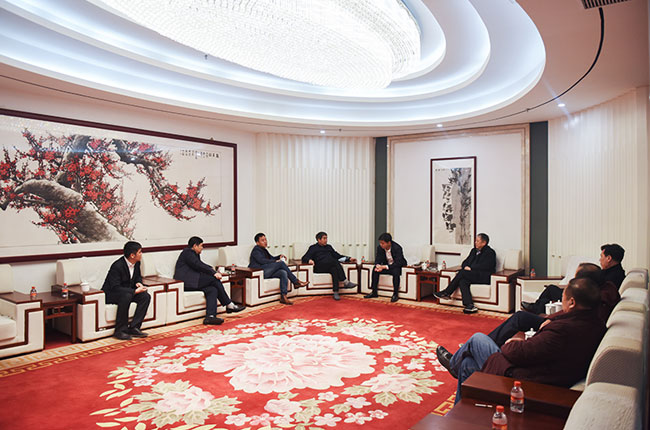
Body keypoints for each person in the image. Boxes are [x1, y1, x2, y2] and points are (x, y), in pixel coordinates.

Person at [436, 277, 605, 404]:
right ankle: (459, 414)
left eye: (563, 298)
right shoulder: (595, 324)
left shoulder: (563, 331)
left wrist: (511, 344)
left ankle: (453, 365)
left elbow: (520, 353)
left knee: (477, 339)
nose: (562, 302)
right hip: (543, 374)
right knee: (467, 364)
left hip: (524, 380)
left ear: (572, 302)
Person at [487, 263, 619, 347]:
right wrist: (551, 318)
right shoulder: (603, 289)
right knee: (521, 316)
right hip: (559, 321)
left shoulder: (598, 300)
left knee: (519, 317)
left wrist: (552, 321)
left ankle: (489, 344)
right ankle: (490, 342)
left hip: (560, 326)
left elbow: (574, 319)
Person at [521, 243, 625, 314]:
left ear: (609, 258)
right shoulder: (614, 272)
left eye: (601, 256)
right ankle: (537, 309)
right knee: (548, 295)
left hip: (582, 297)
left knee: (551, 289)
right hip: (582, 295)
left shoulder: (613, 277)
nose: (600, 259)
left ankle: (535, 309)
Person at [174, 236, 245, 325]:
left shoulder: (194, 254)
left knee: (212, 289)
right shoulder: (187, 253)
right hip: (186, 282)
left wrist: (212, 270)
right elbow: (198, 265)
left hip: (194, 281)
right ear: (195, 246)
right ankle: (229, 304)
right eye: (201, 246)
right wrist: (213, 273)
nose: (202, 248)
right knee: (214, 279)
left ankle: (210, 317)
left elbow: (200, 266)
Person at [433, 233, 496, 313]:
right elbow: (465, 262)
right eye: (475, 241)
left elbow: (486, 266)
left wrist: (471, 268)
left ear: (484, 243)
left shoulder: (490, 253)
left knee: (462, 273)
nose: (475, 242)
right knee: (463, 281)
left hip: (483, 276)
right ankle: (469, 305)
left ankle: (447, 292)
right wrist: (466, 266)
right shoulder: (473, 251)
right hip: (472, 275)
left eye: (477, 241)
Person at [102, 241, 151, 340]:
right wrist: (134, 292)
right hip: (112, 294)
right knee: (126, 296)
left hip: (127, 292)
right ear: (132, 255)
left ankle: (134, 327)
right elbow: (115, 287)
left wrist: (139, 283)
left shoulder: (137, 263)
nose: (141, 254)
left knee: (145, 296)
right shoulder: (117, 266)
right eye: (140, 252)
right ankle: (120, 331)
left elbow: (137, 277)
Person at [249, 233, 308, 305]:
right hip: (259, 272)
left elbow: (271, 258)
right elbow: (262, 261)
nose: (265, 241)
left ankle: (283, 296)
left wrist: (279, 256)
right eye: (262, 240)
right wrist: (276, 261)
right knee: (281, 263)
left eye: (265, 239)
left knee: (283, 272)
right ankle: (295, 282)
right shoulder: (256, 250)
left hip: (266, 271)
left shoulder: (264, 250)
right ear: (257, 242)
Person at [301, 232, 358, 301]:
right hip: (319, 267)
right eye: (324, 238)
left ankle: (336, 292)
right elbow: (304, 258)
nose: (326, 240)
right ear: (319, 239)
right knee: (335, 261)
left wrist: (349, 258)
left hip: (329, 266)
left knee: (334, 269)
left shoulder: (329, 247)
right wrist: (309, 260)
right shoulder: (313, 248)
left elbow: (337, 255)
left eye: (326, 238)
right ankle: (345, 282)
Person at [363, 232, 407, 302]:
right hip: (386, 266)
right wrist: (378, 266)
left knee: (396, 271)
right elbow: (377, 259)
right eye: (380, 243)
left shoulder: (397, 248)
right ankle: (374, 292)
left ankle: (395, 294)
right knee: (375, 269)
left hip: (396, 266)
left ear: (389, 242)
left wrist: (384, 267)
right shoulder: (380, 248)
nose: (381, 245)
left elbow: (398, 263)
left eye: (383, 243)